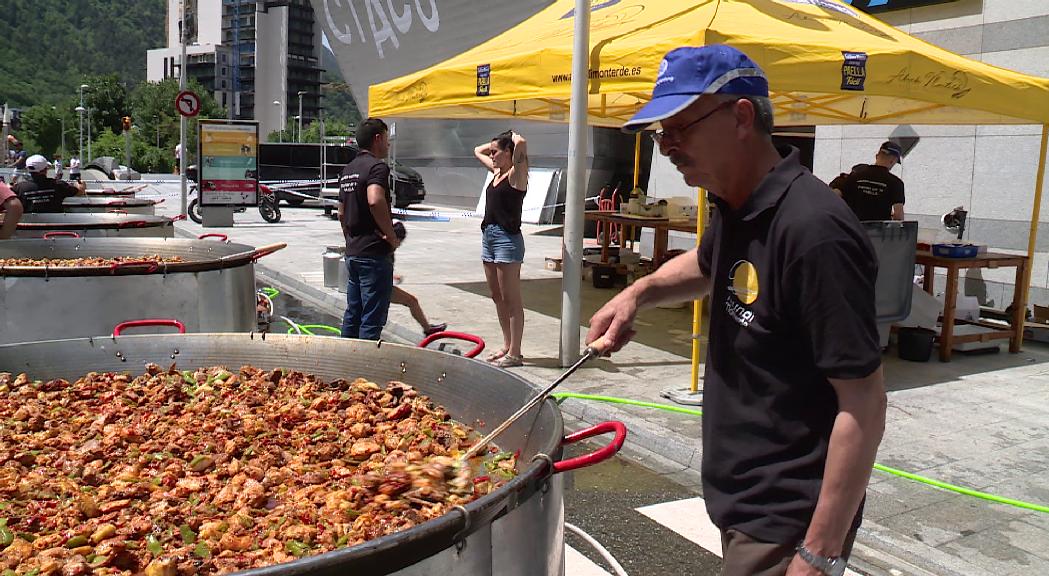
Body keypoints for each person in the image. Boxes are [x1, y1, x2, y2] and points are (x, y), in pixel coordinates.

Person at [587, 45, 886, 576]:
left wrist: (818, 553)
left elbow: (863, 403)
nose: (668, 147)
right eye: (660, 135)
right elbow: (707, 265)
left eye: (679, 128)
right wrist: (638, 293)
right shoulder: (737, 202)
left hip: (787, 515)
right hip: (742, 498)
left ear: (741, 115)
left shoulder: (814, 231)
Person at [338, 117, 399, 340]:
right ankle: (363, 373)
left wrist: (350, 241)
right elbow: (375, 200)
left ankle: (344, 366)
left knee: (353, 314)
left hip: (353, 253)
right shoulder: (377, 167)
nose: (388, 144)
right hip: (373, 253)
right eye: (386, 139)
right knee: (372, 319)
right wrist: (390, 236)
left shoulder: (348, 169)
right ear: (377, 138)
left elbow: (341, 213)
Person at [473, 130, 528, 368]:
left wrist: (514, 137)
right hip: (489, 237)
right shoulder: (497, 173)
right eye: (492, 152)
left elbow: (522, 144)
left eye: (496, 152)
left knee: (511, 298)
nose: (492, 155)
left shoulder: (517, 175)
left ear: (509, 153)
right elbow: (477, 150)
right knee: (497, 296)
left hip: (507, 239)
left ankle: (515, 353)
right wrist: (496, 143)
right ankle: (507, 344)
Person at [832, 141, 905, 221]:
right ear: (893, 160)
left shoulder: (854, 176)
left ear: (877, 156)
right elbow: (899, 216)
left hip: (853, 229)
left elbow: (834, 198)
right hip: (878, 231)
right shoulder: (896, 183)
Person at [12, 154, 86, 213]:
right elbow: (79, 192)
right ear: (45, 169)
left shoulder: (19, 188)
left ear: (28, 169)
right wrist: (81, 185)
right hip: (56, 227)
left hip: (29, 228)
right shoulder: (58, 185)